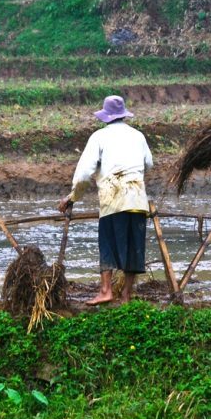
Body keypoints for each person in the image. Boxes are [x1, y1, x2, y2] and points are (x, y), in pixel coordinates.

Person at [58, 95, 153, 305]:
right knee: (133, 247)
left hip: (113, 199)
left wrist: (72, 197)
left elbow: (83, 175)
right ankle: (127, 295)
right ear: (123, 115)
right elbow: (148, 164)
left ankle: (106, 290)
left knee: (108, 245)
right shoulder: (138, 136)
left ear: (105, 117)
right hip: (137, 200)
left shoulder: (99, 137)